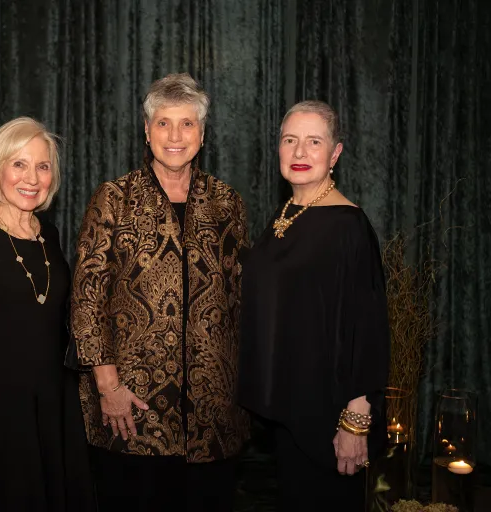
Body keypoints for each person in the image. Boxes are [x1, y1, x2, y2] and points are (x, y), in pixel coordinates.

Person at [70, 73, 250, 512]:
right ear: (147, 131)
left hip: (213, 413)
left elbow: (243, 303)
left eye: (187, 124)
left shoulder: (228, 203)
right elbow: (86, 298)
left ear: (202, 135)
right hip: (133, 408)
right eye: (164, 123)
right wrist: (107, 386)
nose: (175, 136)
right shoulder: (114, 197)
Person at [238, 100, 391, 509]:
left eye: (314, 141)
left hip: (329, 419)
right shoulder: (286, 213)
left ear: (335, 153)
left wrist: (356, 423)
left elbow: (369, 327)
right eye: (290, 140)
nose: (300, 152)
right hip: (291, 413)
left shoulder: (347, 225)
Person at [0, 117, 95, 511]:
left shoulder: (50, 233)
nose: (32, 177)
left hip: (54, 404)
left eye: (42, 166)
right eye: (19, 164)